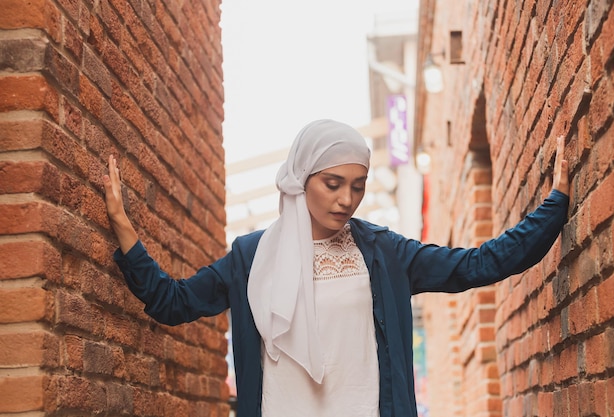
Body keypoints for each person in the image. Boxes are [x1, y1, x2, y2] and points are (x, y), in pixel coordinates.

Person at [103, 119, 570, 417]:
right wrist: (124, 229)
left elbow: (475, 265)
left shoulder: (385, 254)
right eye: (332, 183)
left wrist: (554, 207)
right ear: (302, 179)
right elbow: (173, 302)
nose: (346, 199)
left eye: (358, 186)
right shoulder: (251, 257)